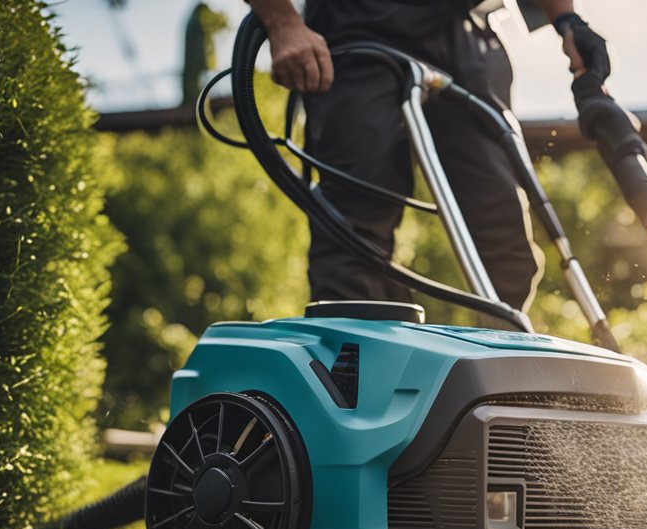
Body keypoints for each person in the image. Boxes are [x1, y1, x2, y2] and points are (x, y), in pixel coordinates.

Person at [247, 0, 610, 311]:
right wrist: (283, 23)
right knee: (354, 235)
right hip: (355, 28)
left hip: (462, 33)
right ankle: (351, 372)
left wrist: (568, 21)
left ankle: (508, 361)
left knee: (506, 245)